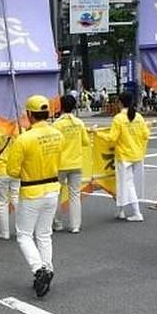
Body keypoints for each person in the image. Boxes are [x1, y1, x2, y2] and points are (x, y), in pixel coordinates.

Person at [5, 94, 63, 298]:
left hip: (31, 191)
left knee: (24, 235)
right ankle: (48, 269)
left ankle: (39, 270)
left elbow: (12, 171)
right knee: (44, 234)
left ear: (29, 114)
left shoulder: (24, 139)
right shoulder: (57, 134)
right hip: (53, 189)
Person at [104, 92, 150, 222]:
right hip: (137, 155)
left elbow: (112, 138)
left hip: (124, 156)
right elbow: (146, 135)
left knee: (125, 184)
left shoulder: (118, 118)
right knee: (128, 184)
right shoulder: (139, 117)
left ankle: (136, 212)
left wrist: (97, 133)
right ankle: (121, 211)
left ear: (120, 102)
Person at [52, 94, 90, 234]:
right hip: (76, 163)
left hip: (60, 164)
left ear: (60, 106)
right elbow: (85, 142)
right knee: (75, 195)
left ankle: (57, 223)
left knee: (57, 194)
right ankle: (75, 225)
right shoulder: (79, 123)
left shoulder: (57, 124)